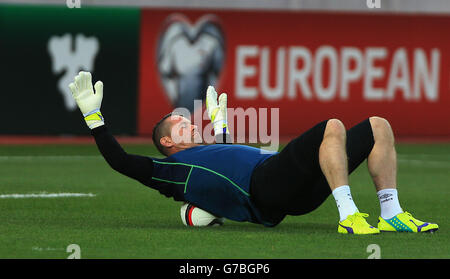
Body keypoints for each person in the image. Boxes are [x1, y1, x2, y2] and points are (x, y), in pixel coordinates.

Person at [69, 71, 438, 234]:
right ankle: (349, 216)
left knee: (378, 125)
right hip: (267, 187)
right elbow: (120, 161)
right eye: (181, 124)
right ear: (167, 142)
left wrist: (221, 123)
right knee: (332, 127)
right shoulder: (172, 169)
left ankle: (391, 213)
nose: (191, 123)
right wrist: (92, 116)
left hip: (292, 188)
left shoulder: (209, 149)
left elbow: (228, 159)